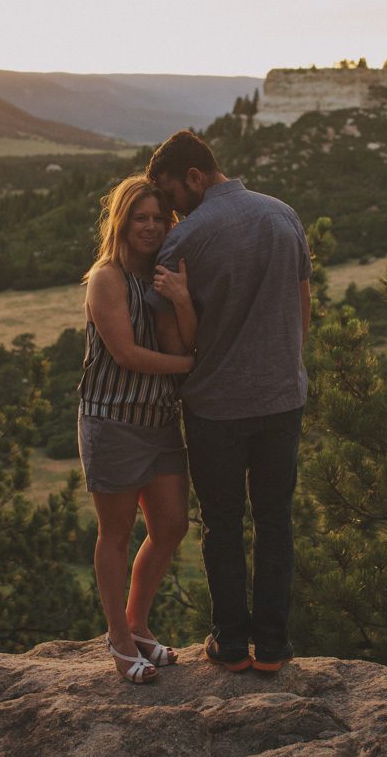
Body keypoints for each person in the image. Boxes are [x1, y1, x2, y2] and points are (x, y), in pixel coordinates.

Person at [145, 130, 310, 673]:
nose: (170, 210)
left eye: (171, 195)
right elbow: (303, 307)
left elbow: (176, 345)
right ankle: (274, 648)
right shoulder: (285, 215)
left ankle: (232, 646)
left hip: (216, 405)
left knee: (222, 523)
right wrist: (285, 363)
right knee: (275, 521)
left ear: (194, 177)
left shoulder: (183, 241)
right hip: (282, 396)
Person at [79, 174, 199, 684]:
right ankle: (120, 639)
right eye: (140, 218)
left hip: (160, 422)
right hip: (113, 422)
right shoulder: (107, 278)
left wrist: (183, 299)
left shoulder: (163, 276)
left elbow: (185, 340)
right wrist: (194, 367)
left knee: (171, 527)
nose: (150, 227)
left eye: (158, 218)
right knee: (117, 533)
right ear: (122, 223)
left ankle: (138, 623)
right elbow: (126, 354)